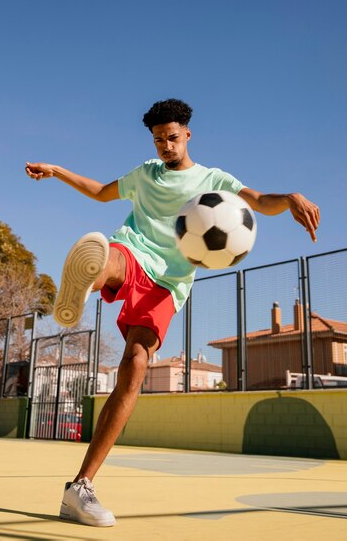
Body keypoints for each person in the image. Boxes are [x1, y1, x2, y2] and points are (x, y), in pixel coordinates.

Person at [25, 98, 320, 527]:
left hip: (169, 283)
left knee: (136, 366)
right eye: (159, 139)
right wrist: (57, 171)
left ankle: (80, 488)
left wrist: (291, 197)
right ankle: (89, 278)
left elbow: (258, 200)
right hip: (135, 253)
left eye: (172, 137)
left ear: (188, 135)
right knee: (111, 256)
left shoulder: (212, 179)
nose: (165, 145)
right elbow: (100, 191)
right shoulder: (146, 174)